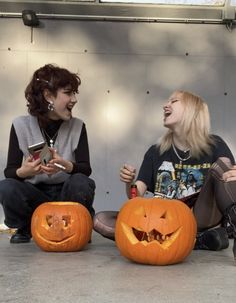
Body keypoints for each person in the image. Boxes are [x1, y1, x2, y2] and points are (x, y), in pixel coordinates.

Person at [93, 90, 236, 260]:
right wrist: (129, 182)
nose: (165, 105)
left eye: (174, 101)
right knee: (100, 220)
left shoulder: (215, 144)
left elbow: (229, 175)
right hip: (164, 221)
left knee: (223, 167)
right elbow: (135, 196)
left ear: (192, 110)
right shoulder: (155, 152)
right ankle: (199, 241)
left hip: (201, 216)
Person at [0, 64, 95, 244]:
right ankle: (26, 227)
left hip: (67, 196)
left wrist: (67, 166)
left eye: (75, 93)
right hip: (35, 195)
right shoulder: (21, 125)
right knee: (6, 186)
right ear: (48, 95)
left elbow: (86, 169)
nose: (74, 99)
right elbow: (9, 172)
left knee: (81, 181)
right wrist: (25, 172)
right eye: (68, 93)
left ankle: (77, 227)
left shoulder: (78, 126)